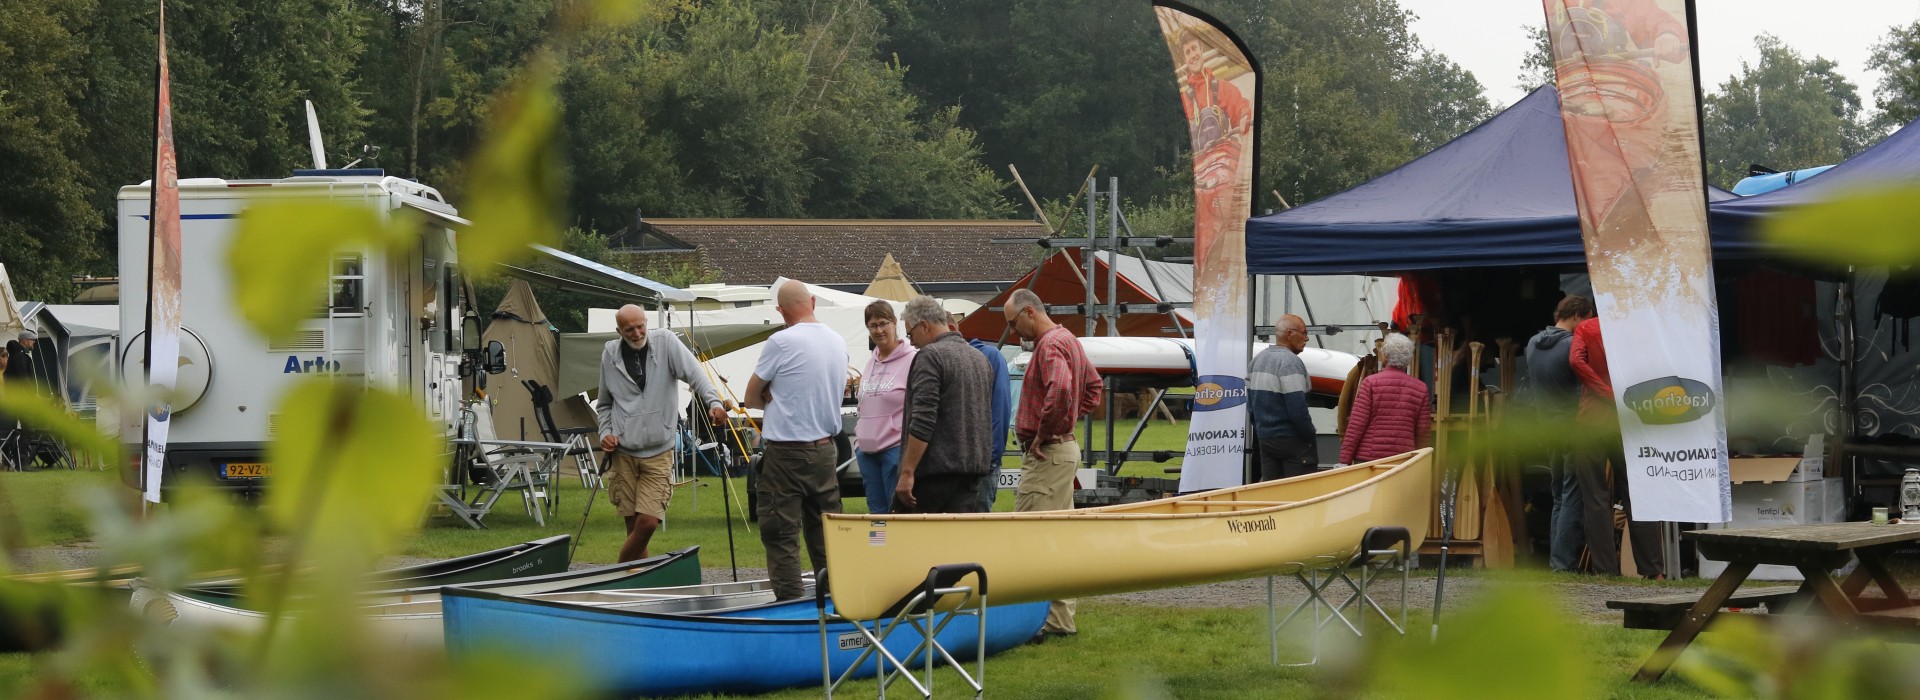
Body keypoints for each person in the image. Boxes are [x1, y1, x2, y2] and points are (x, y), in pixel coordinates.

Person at [595, 304, 729, 564]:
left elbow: (695, 374)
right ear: (618, 331)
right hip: (624, 450)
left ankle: (617, 575)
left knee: (647, 523)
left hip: (659, 450)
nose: (636, 333)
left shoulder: (666, 342)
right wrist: (605, 433)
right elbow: (604, 404)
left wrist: (714, 402)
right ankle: (641, 588)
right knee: (633, 528)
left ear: (646, 322)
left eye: (640, 326)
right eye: (629, 329)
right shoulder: (610, 354)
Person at [1003, 288, 1101, 639]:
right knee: (1057, 537)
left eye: (1014, 324)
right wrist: (1069, 418)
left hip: (1048, 454)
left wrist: (1046, 431)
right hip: (1064, 451)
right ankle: (1059, 620)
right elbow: (1093, 387)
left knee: (1030, 536)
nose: (1016, 332)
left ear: (1030, 312)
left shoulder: (1047, 345)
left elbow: (1060, 388)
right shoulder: (1069, 339)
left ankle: (1034, 622)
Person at [745, 279, 848, 600]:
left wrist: (773, 397)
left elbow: (751, 397)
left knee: (781, 533)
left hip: (787, 452)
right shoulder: (837, 341)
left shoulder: (781, 341)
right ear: (813, 301)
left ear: (781, 311)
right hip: (825, 450)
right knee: (825, 532)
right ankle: (836, 599)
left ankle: (790, 604)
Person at [1569, 316, 1664, 578]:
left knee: (1595, 497)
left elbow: (1575, 360)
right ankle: (1653, 569)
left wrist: (1602, 390)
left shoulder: (1586, 328)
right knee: (1638, 493)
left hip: (1591, 421)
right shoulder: (1638, 327)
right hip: (1629, 418)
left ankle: (1605, 569)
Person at [892, 296, 993, 513]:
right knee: (958, 545)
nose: (911, 342)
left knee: (910, 544)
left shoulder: (930, 356)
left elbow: (923, 419)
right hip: (971, 474)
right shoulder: (979, 358)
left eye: (910, 333)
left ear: (925, 326)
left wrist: (908, 471)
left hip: (933, 478)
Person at [1525, 295, 1595, 573]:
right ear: (1577, 316)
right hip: (1571, 427)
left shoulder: (1532, 344)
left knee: (1557, 496)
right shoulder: (1571, 346)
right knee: (1572, 494)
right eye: (1587, 320)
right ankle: (1563, 563)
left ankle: (1556, 559)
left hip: (1547, 428)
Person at [854, 300, 916, 514]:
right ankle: (878, 547)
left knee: (897, 512)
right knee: (876, 514)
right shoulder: (871, 361)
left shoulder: (912, 359)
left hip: (894, 449)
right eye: (873, 325)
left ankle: (900, 548)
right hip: (867, 451)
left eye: (883, 323)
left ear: (894, 323)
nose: (879, 330)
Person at [1338, 334, 1431, 465]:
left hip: (1369, 460)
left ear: (1385, 356)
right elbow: (1423, 433)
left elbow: (1356, 425)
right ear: (1409, 359)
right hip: (1403, 460)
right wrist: (1421, 463)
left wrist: (1344, 460)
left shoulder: (1370, 383)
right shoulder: (1420, 388)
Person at [1249, 314, 1317, 480]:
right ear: (1289, 334)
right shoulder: (1290, 362)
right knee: (1298, 495)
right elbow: (1297, 409)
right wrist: (1310, 434)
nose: (1307, 338)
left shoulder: (1258, 360)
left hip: (1266, 440)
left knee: (1272, 492)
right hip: (1292, 441)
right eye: (1304, 333)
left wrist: (1261, 430)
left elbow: (1251, 406)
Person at [969, 327, 1013, 513]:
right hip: (953, 464)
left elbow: (1000, 407)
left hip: (982, 462)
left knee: (976, 526)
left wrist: (992, 458)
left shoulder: (990, 356)